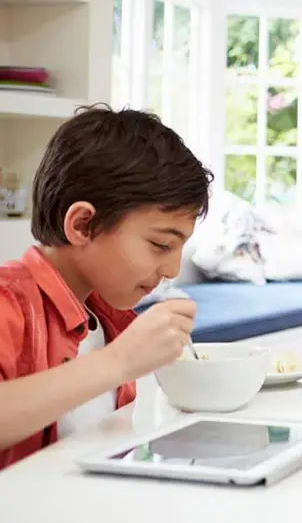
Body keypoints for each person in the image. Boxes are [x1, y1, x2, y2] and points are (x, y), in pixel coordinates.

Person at [0, 106, 213, 469]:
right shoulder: (10, 302)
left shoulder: (109, 318)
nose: (172, 269)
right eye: (161, 245)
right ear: (83, 224)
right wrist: (120, 361)